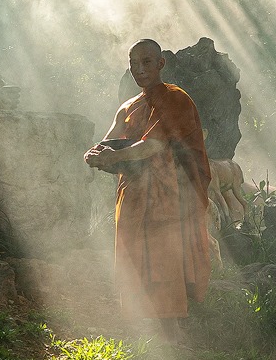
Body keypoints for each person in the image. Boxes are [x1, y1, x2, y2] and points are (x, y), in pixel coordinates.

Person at [85, 39, 212, 325]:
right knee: (131, 251)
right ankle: (137, 323)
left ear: (160, 63)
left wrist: (112, 159)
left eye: (146, 62)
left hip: (168, 193)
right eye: (133, 64)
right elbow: (109, 142)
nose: (139, 69)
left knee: (162, 254)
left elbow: (153, 146)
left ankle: (170, 328)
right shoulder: (128, 106)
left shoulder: (175, 98)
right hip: (132, 190)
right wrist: (94, 154)